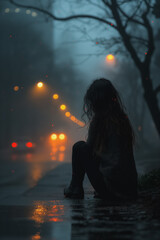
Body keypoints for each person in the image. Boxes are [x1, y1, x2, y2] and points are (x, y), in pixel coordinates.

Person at [64, 78, 138, 201]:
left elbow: (89, 150)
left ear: (95, 100)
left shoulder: (99, 120)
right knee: (84, 148)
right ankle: (75, 187)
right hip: (129, 189)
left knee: (79, 147)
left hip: (110, 189)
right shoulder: (122, 119)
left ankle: (75, 187)